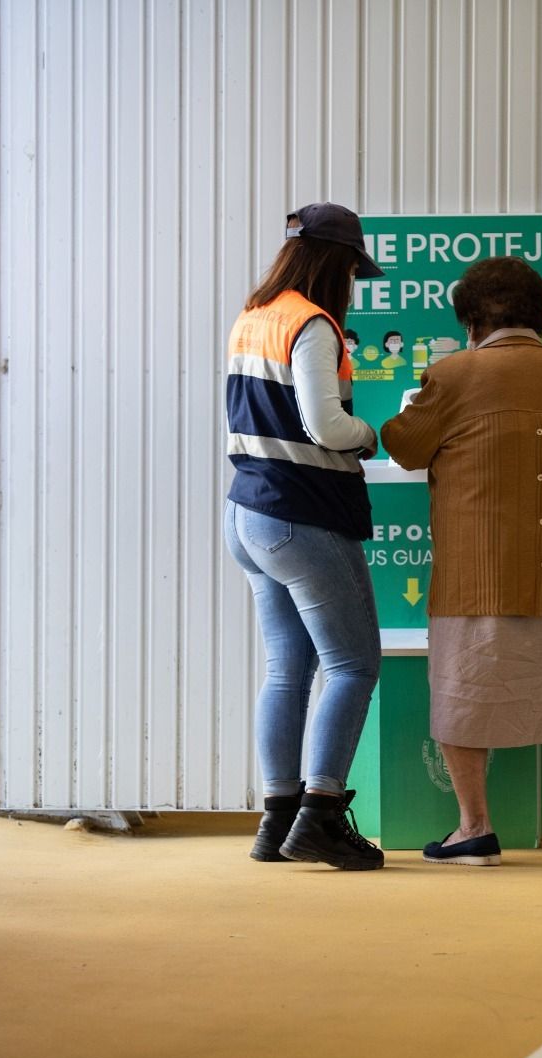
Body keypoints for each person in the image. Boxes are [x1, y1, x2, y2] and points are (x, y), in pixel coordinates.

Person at [383, 257, 542, 866]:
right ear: (540, 315)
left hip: (479, 568)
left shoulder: (452, 374)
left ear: (471, 322)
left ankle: (475, 828)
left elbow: (404, 447)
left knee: (463, 689)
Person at [223, 203, 386, 871]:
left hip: (249, 511)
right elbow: (326, 425)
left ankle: (278, 821)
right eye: (350, 271)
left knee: (287, 670)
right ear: (334, 263)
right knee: (353, 665)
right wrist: (371, 433)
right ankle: (320, 817)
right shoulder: (313, 324)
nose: (351, 284)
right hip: (303, 514)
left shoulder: (255, 315)